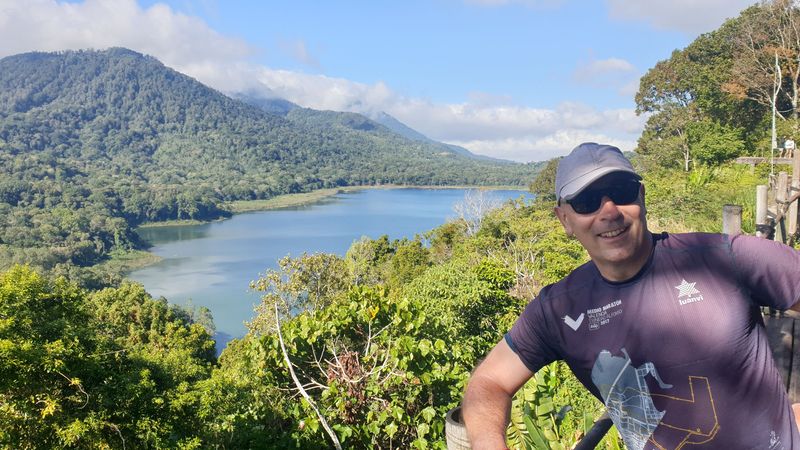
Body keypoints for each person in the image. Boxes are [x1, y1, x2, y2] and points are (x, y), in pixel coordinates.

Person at [462, 142, 800, 450]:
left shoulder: (723, 257)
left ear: (640, 197)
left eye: (620, 192)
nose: (609, 211)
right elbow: (489, 381)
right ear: (565, 219)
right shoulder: (559, 309)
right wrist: (488, 442)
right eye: (586, 202)